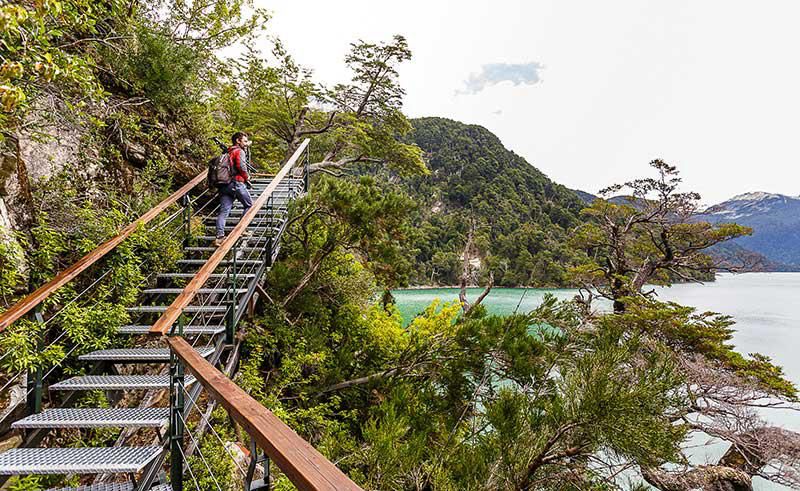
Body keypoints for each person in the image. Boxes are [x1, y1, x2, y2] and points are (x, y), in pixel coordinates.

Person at [214, 132, 253, 247]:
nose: (246, 144)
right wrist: (247, 177)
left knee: (224, 211)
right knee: (249, 205)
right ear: (238, 141)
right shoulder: (238, 151)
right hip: (236, 183)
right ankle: (241, 230)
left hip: (224, 184)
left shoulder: (228, 151)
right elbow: (241, 166)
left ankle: (219, 237)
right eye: (244, 141)